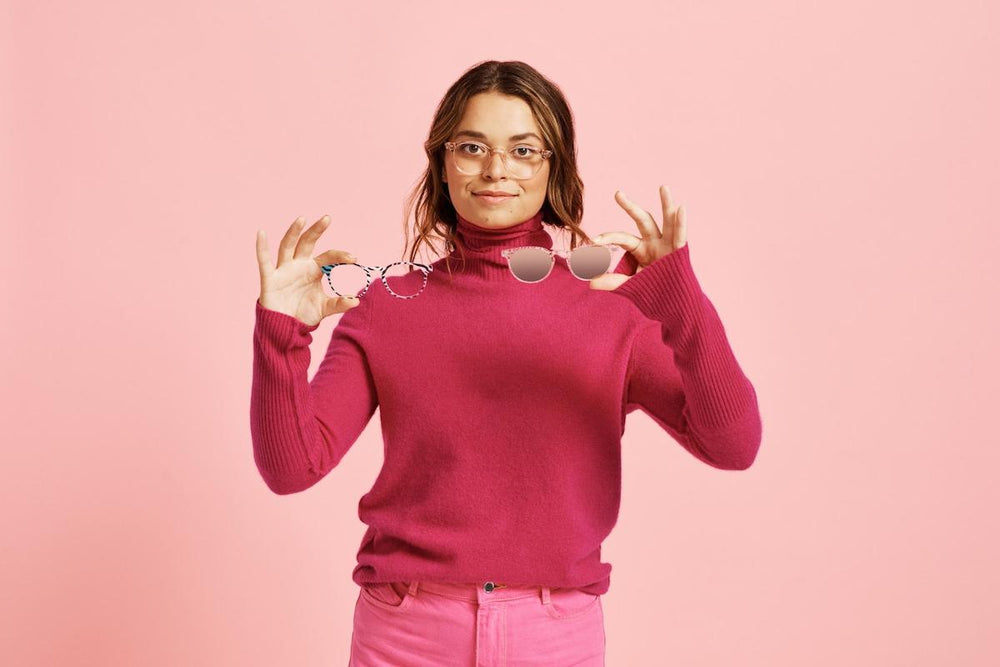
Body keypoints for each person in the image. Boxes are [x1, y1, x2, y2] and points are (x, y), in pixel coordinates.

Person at [251, 60, 762, 666]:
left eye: (523, 150)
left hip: (553, 634)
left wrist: (685, 307)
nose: (496, 170)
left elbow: (733, 445)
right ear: (443, 162)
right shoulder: (386, 304)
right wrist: (283, 331)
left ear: (555, 166)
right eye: (472, 147)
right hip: (406, 634)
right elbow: (292, 467)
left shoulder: (611, 302)